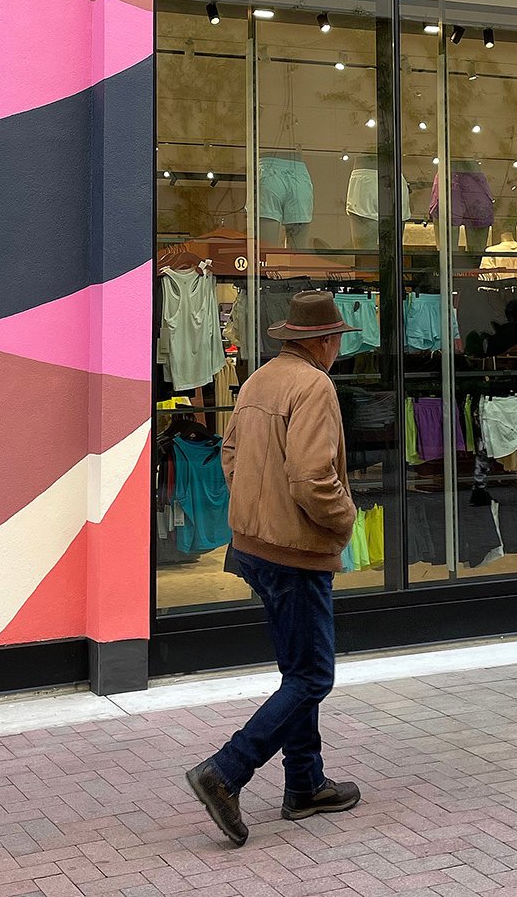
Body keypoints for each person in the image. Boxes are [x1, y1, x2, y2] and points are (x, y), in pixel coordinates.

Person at [186, 290, 362, 845]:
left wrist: (257, 511)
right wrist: (344, 519)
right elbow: (313, 478)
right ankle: (227, 771)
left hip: (255, 547)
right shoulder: (315, 386)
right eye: (336, 339)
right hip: (294, 553)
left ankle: (305, 784)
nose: (337, 348)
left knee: (298, 673)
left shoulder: (261, 379)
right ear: (326, 341)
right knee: (314, 675)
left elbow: (231, 455)